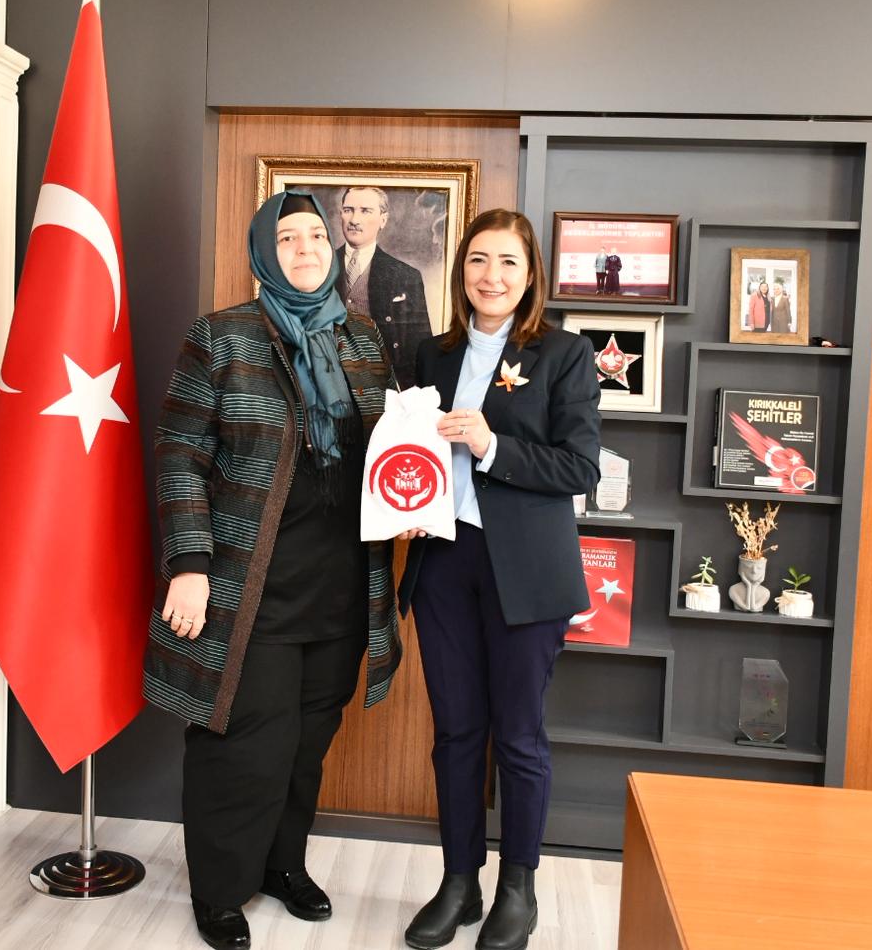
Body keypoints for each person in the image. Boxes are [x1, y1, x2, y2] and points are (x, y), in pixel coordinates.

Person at [144, 189, 404, 950]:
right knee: (243, 744)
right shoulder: (221, 337)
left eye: (316, 235)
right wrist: (189, 564)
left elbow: (394, 450)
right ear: (264, 253)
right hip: (247, 586)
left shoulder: (362, 339)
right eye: (288, 238)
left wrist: (414, 496)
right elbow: (180, 455)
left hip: (343, 587)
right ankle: (222, 889)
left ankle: (284, 865)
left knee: (306, 742)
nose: (306, 248)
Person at [396, 208, 602, 950]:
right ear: (461, 273)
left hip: (527, 571)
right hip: (444, 563)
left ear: (530, 273)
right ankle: (459, 881)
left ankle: (519, 887)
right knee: (456, 732)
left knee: (518, 735)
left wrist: (491, 445)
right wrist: (406, 505)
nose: (492, 276)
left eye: (508, 262)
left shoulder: (565, 354)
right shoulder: (431, 354)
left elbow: (579, 467)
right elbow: (409, 448)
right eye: (478, 260)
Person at [336, 185, 433, 387]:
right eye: (348, 210)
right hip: (329, 387)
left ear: (383, 219)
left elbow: (419, 348)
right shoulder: (320, 267)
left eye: (365, 211)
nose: (354, 220)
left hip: (384, 389)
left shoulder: (405, 276)